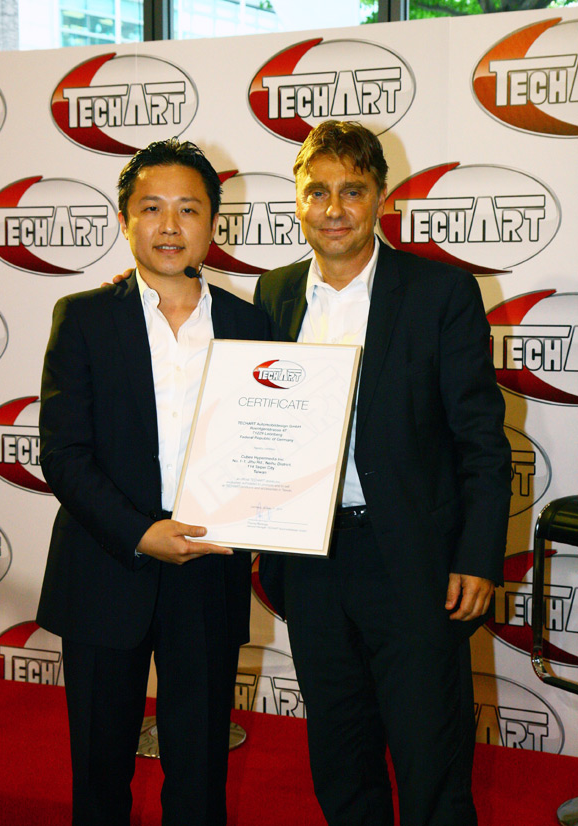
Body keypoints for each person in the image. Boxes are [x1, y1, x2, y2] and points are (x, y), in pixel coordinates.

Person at [254, 121, 512, 826]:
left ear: (380, 198)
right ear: (297, 202)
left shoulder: (440, 292)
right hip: (311, 563)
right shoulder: (274, 294)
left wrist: (476, 556)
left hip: (415, 565)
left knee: (432, 766)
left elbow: (481, 442)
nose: (334, 208)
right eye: (317, 192)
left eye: (352, 190)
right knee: (341, 762)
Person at [36, 139, 269, 826]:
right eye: (152, 208)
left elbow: (270, 443)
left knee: (199, 771)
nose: (170, 226)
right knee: (99, 772)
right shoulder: (82, 317)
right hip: (105, 565)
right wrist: (140, 533)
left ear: (213, 223)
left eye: (188, 209)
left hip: (209, 565)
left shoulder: (250, 323)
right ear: (124, 220)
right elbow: (64, 454)